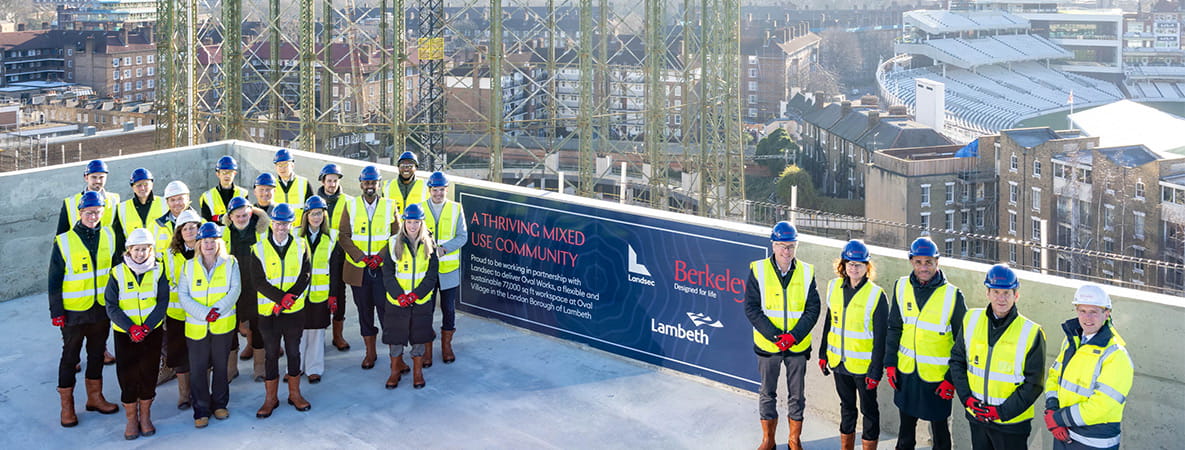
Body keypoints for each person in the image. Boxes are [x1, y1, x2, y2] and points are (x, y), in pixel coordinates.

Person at [883, 237, 967, 450]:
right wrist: (890, 363)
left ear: (937, 262)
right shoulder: (901, 286)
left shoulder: (953, 295)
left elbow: (963, 344)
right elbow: (894, 328)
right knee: (905, 435)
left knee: (940, 436)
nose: (923, 267)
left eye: (928, 262)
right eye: (918, 262)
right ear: (911, 261)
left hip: (937, 379)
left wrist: (951, 380)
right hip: (906, 374)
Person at [950, 264, 1046, 450]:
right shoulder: (971, 319)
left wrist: (1000, 412)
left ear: (1016, 295)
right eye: (996, 292)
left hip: (1011, 424)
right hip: (977, 417)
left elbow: (1034, 384)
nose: (1001, 298)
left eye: (1007, 293)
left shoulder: (1032, 332)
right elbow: (957, 361)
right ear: (987, 293)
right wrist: (967, 399)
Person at [743, 221, 821, 450]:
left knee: (797, 395)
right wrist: (776, 336)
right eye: (782, 246)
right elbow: (751, 308)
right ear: (773, 245)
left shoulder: (807, 272)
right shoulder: (758, 270)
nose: (786, 251)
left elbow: (813, 309)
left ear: (796, 246)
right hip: (769, 346)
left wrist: (793, 337)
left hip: (796, 347)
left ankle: (794, 440)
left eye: (791, 246)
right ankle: (768, 440)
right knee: (767, 393)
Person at [49, 191, 121, 427]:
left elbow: (116, 270)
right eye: (89, 212)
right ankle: (67, 407)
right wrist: (57, 312)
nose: (93, 216)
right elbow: (54, 279)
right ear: (80, 213)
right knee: (70, 357)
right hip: (74, 312)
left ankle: (95, 398)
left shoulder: (109, 235)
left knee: (97, 353)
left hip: (101, 309)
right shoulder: (64, 241)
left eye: (97, 212)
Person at [818, 240, 888, 450]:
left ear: (867, 267)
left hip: (864, 368)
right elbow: (829, 322)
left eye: (858, 264)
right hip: (839, 363)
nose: (853, 268)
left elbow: (881, 338)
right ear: (843, 264)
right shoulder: (833, 287)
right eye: (850, 263)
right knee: (846, 408)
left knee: (869, 410)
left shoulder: (876, 295)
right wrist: (823, 353)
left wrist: (876, 371)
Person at [1043, 285, 1133, 450]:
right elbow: (1054, 377)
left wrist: (1058, 418)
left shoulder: (1116, 355)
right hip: (1063, 434)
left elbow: (1103, 405)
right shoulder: (1071, 342)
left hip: (1094, 442)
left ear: (1107, 313)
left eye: (1094, 312)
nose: (1087, 318)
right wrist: (1052, 408)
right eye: (1082, 311)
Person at [248, 203, 312, 418]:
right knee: (271, 354)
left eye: (285, 224)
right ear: (272, 223)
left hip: (294, 312)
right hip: (269, 313)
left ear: (291, 224)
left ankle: (295, 394)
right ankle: (270, 399)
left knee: (293, 352)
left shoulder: (301, 245)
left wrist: (288, 299)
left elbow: (305, 275)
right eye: (277, 223)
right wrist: (280, 299)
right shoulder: (258, 248)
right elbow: (258, 281)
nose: (281, 228)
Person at [104, 228, 169, 440]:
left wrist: (147, 327)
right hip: (126, 334)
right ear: (129, 250)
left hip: (151, 332)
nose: (140, 253)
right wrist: (131, 328)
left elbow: (162, 302)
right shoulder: (117, 273)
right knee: (127, 375)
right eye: (136, 249)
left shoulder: (159, 270)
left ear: (151, 250)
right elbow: (111, 305)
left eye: (144, 249)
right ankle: (132, 419)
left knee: (149, 373)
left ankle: (146, 416)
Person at [178, 222, 241, 428]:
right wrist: (205, 314)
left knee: (221, 367)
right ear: (198, 244)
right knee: (198, 370)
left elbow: (235, 290)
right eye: (205, 241)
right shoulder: (188, 266)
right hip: (197, 327)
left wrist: (217, 311)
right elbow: (183, 295)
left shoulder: (230, 263)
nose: (209, 245)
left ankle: (220, 404)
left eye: (213, 241)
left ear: (219, 243)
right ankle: (201, 410)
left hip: (222, 325)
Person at [339, 166, 399, 370]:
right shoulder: (351, 205)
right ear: (361, 185)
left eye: (373, 183)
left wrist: (381, 257)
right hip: (359, 270)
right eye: (366, 183)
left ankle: (395, 357)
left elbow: (396, 236)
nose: (370, 186)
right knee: (364, 312)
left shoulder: (390, 206)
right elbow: (343, 236)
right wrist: (361, 257)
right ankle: (370, 353)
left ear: (379, 184)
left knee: (386, 312)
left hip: (382, 270)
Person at [380, 204, 439, 390]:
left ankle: (417, 373)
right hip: (397, 302)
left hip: (420, 302)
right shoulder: (392, 243)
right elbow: (387, 274)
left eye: (416, 222)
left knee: (419, 337)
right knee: (395, 338)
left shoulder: (429, 244)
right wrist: (399, 295)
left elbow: (432, 275)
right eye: (409, 222)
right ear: (404, 223)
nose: (412, 226)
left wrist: (416, 295)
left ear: (421, 223)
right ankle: (394, 371)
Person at [420, 171, 468, 365]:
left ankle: (446, 346)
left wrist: (444, 249)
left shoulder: (456, 209)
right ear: (429, 190)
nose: (438, 193)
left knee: (448, 309)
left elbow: (462, 236)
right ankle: (427, 349)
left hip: (449, 270)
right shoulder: (420, 208)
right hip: (426, 272)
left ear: (446, 190)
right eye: (435, 190)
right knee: (427, 310)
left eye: (441, 190)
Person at [221, 196, 270, 380]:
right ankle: (231, 368)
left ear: (251, 214)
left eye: (245, 215)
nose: (241, 219)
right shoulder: (224, 234)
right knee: (230, 328)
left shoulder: (261, 231)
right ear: (230, 217)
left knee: (258, 327)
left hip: (255, 287)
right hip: (232, 287)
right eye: (237, 216)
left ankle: (260, 367)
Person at [298, 196, 344, 383]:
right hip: (299, 294)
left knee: (316, 332)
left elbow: (335, 270)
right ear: (306, 216)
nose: (316, 217)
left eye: (319, 213)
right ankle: (295, 367)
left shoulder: (332, 237)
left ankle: (314, 368)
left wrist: (333, 295)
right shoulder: (295, 236)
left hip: (320, 294)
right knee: (298, 332)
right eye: (312, 214)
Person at [161, 209, 204, 409]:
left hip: (200, 313)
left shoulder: (208, 249)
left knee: (202, 354)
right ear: (178, 232)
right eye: (184, 228)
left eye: (193, 228)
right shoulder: (169, 255)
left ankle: (201, 392)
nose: (189, 232)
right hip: (177, 314)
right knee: (180, 355)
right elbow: (164, 283)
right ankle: (184, 395)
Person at [317, 163, 352, 351]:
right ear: (323, 181)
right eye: (329, 180)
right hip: (319, 255)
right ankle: (319, 334)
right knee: (319, 292)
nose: (332, 184)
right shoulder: (314, 201)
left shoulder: (348, 201)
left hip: (340, 254)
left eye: (335, 180)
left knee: (339, 293)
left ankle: (338, 335)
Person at [57, 159, 120, 234]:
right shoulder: (70, 202)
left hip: (105, 241)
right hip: (78, 241)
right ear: (86, 177)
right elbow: (61, 234)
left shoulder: (114, 199)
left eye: (101, 177)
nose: (98, 181)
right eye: (94, 177)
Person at [113, 168, 165, 244]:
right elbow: (119, 238)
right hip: (135, 251)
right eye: (138, 185)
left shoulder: (165, 203)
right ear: (132, 187)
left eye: (146, 184)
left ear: (152, 185)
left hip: (162, 251)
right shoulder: (122, 208)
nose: (142, 188)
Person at [152, 180, 197, 254]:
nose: (177, 203)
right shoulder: (156, 226)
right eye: (172, 200)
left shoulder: (201, 222)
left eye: (180, 199)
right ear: (167, 202)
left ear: (188, 198)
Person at [199, 156, 249, 222]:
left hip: (238, 228)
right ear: (218, 174)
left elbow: (247, 216)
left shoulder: (243, 194)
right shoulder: (207, 196)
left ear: (234, 173)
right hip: (216, 228)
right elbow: (205, 220)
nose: (227, 176)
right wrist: (220, 218)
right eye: (224, 172)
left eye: (230, 172)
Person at [271, 148, 312, 224]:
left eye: (286, 165)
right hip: (279, 229)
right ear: (275, 167)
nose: (282, 168)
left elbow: (311, 209)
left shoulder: (304, 183)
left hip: (299, 229)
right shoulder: (272, 185)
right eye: (279, 165)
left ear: (292, 165)